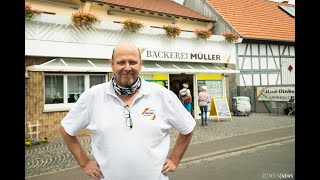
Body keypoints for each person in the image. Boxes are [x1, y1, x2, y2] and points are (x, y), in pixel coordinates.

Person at [59, 41, 195, 180]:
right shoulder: (93, 96)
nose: (127, 67)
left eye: (133, 62)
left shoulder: (161, 95)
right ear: (112, 64)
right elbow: (66, 129)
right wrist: (85, 163)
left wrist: (174, 159)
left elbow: (188, 127)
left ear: (140, 64)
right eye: (121, 62)